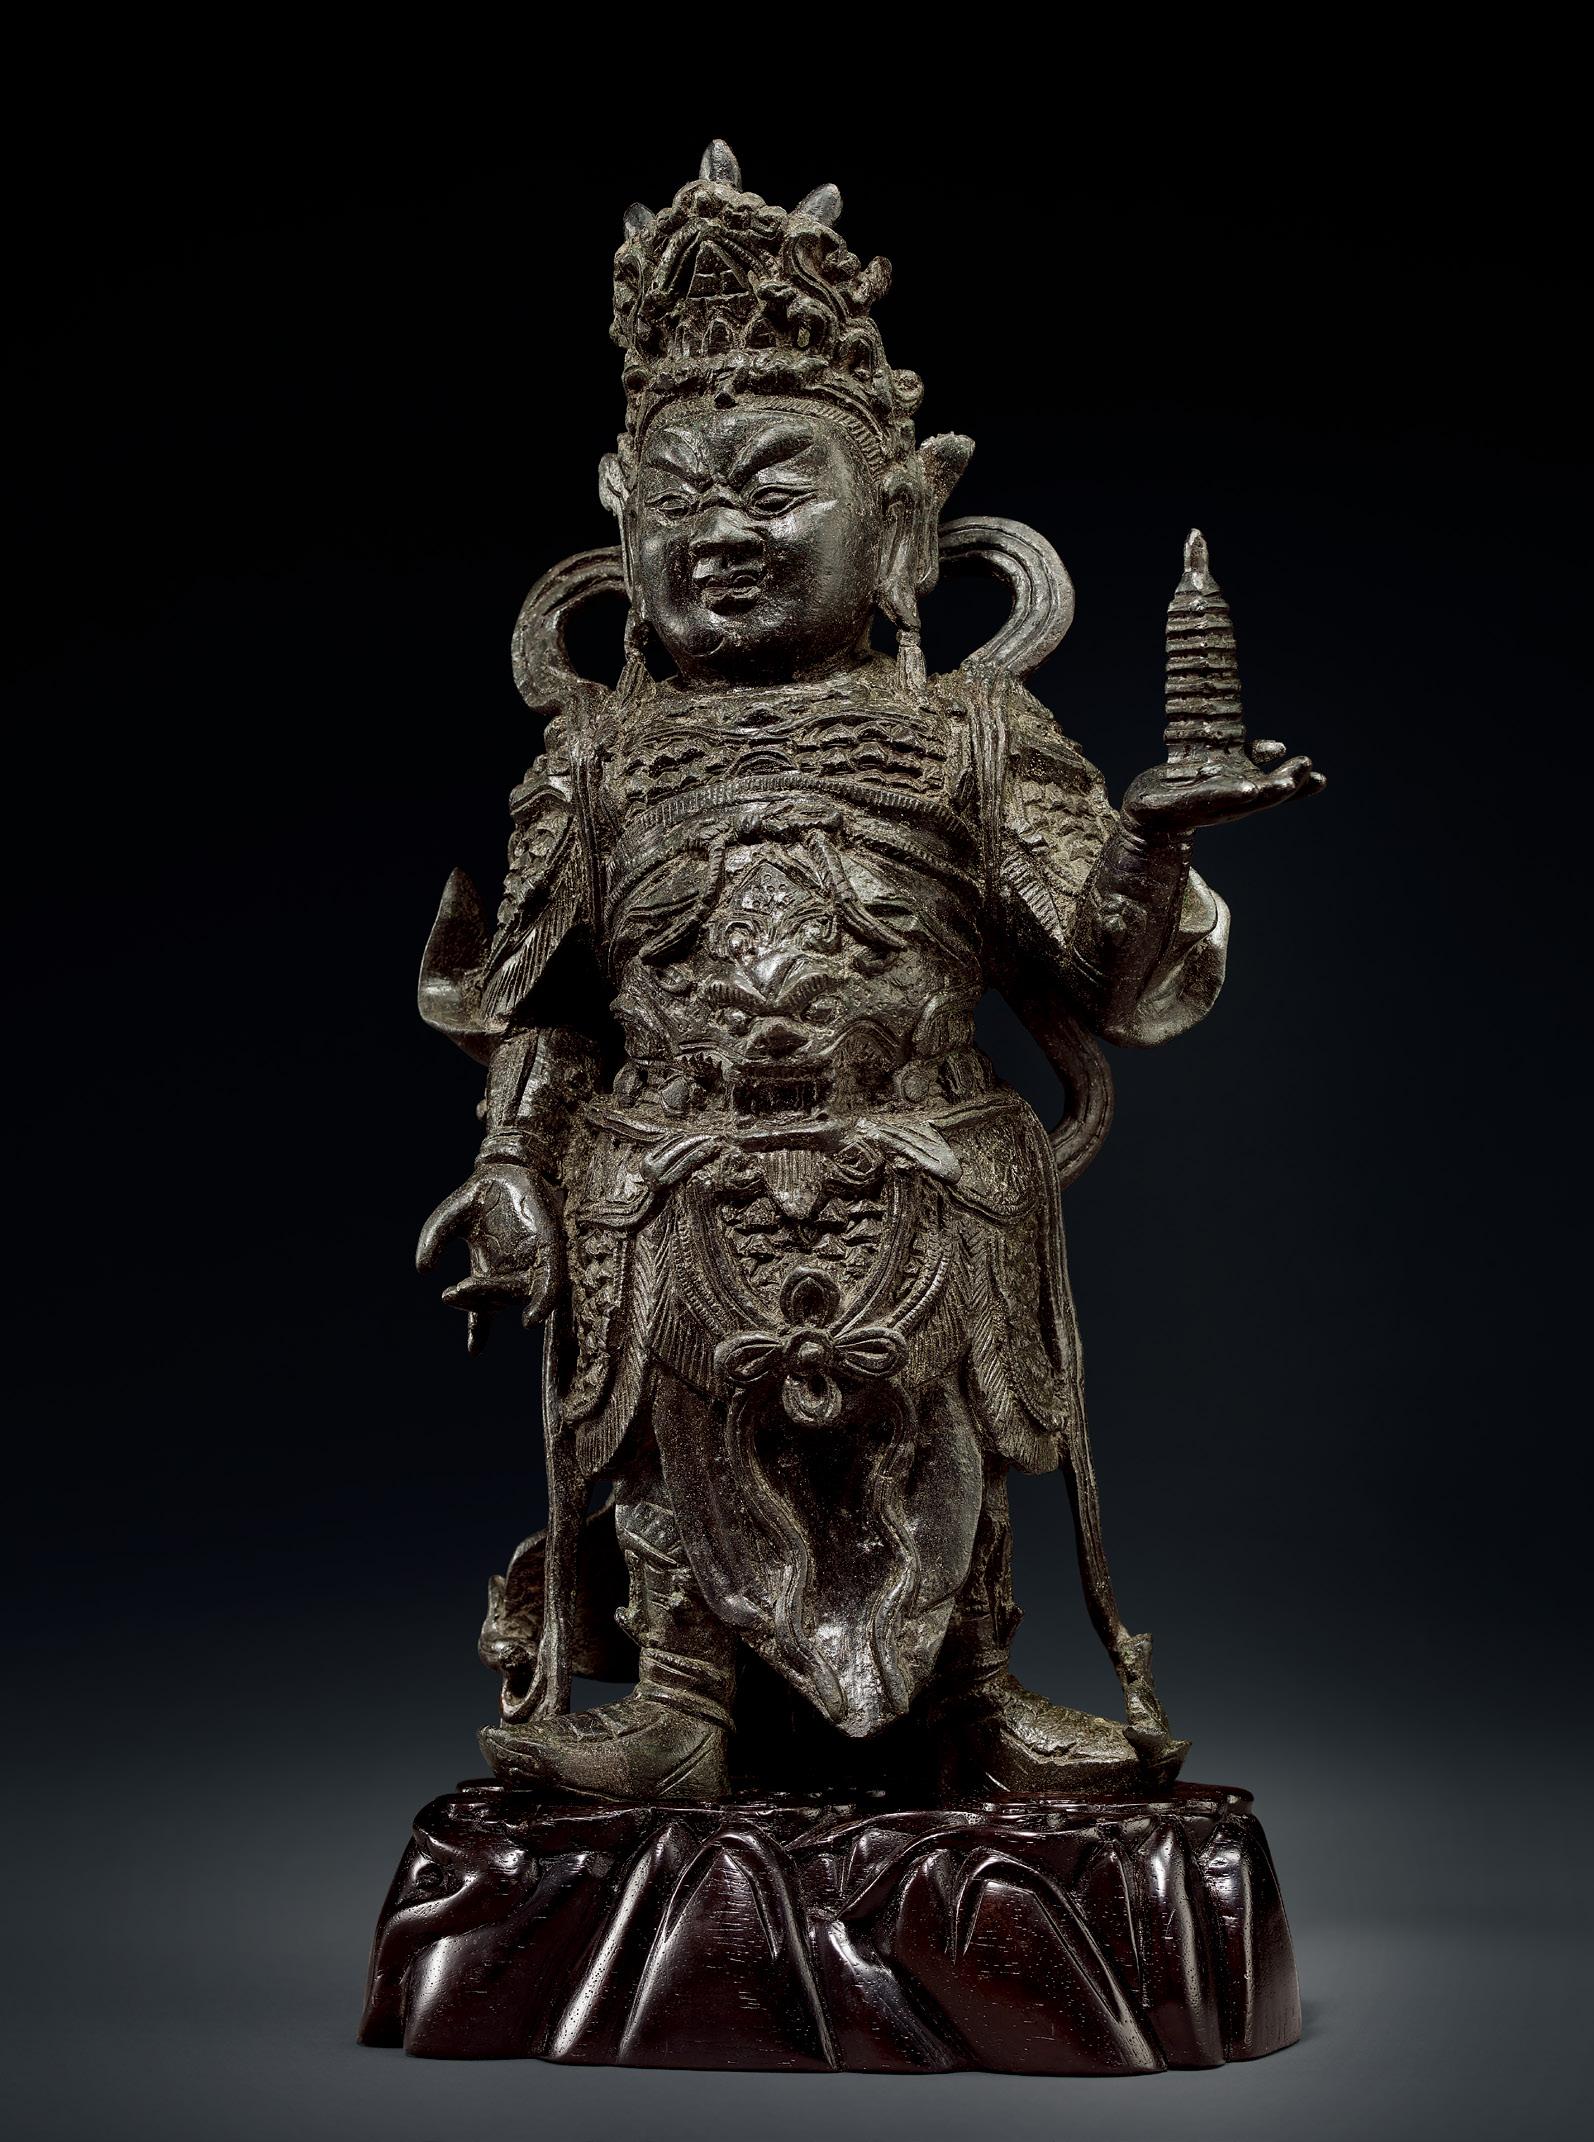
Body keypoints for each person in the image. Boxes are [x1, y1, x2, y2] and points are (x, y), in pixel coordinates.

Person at [416, 143, 1322, 1803]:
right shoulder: (599, 760)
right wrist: (509, 1168)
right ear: (621, 524)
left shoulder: (967, 733)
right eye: (683, 500)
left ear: (902, 514)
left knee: (951, 1401)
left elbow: (1102, 963)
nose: (726, 532)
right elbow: (541, 1000)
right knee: (665, 1393)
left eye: (777, 489)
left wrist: (1155, 837)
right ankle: (682, 1694)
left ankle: (976, 1683)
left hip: (917, 1151)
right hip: (670, 1163)